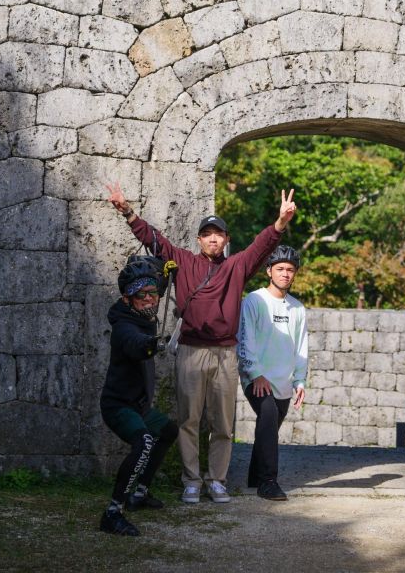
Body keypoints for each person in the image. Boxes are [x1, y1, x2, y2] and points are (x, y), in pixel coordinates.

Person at [106, 182, 297, 505]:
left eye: (218, 234)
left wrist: (280, 223)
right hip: (192, 350)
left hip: (226, 353)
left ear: (226, 240)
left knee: (222, 423)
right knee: (189, 420)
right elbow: (154, 240)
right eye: (207, 233)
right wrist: (127, 211)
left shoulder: (237, 266)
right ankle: (192, 480)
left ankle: (217, 480)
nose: (213, 238)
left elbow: (261, 247)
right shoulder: (182, 260)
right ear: (199, 239)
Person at [99, 258, 178, 536]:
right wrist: (152, 344)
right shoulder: (124, 326)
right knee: (144, 442)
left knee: (168, 430)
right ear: (126, 298)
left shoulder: (142, 310)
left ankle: (140, 494)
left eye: (153, 293)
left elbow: (152, 290)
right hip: (118, 406)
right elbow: (134, 344)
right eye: (140, 296)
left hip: (139, 405)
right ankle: (112, 512)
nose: (149, 300)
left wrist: (164, 280)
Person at [236, 245, 308, 501]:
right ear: (269, 271)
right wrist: (255, 373)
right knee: (267, 414)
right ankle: (268, 482)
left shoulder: (297, 308)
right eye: (280, 269)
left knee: (269, 427)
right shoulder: (254, 301)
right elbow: (245, 340)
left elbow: (301, 347)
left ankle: (254, 477)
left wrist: (300, 380)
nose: (285, 274)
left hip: (283, 381)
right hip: (257, 378)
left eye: (290, 270)